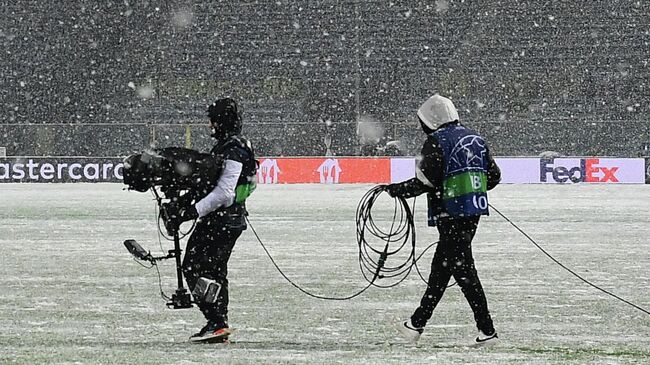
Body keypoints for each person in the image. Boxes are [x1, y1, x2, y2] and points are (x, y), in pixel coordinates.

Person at [384, 94, 501, 345]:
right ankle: (416, 325)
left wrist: (396, 190)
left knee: (460, 270)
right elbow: (493, 176)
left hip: (450, 214)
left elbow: (425, 182)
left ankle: (486, 331)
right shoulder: (475, 138)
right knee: (446, 268)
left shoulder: (436, 141)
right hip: (472, 213)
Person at [163, 97, 257, 343]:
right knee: (215, 271)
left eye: (212, 121)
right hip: (228, 220)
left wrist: (191, 212)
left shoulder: (233, 148)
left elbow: (224, 192)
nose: (209, 126)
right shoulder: (233, 144)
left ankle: (216, 321)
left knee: (193, 267)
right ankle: (217, 323)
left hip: (222, 221)